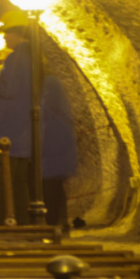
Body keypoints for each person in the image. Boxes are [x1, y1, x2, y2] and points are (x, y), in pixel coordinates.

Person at [0, 10, 33, 225]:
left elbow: (10, 90)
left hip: (10, 132)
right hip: (24, 131)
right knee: (19, 182)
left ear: (17, 33)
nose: (5, 37)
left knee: (3, 180)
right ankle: (23, 220)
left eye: (7, 33)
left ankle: (4, 221)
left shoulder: (16, 59)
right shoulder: (33, 56)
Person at [41, 74, 78, 230]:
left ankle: (55, 225)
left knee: (52, 190)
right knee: (56, 190)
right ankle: (59, 223)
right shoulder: (61, 112)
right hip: (55, 155)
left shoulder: (50, 87)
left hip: (52, 156)